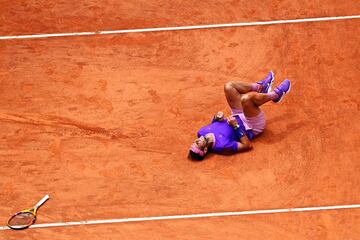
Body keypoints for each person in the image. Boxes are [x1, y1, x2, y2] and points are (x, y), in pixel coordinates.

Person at [188, 71, 291, 160]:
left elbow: (214, 125)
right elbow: (247, 145)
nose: (196, 140)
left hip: (237, 114)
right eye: (197, 144)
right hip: (251, 125)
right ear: (205, 150)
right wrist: (236, 126)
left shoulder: (201, 132)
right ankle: (275, 95)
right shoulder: (222, 146)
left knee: (229, 87)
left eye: (194, 142)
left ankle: (261, 87)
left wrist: (216, 118)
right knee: (246, 99)